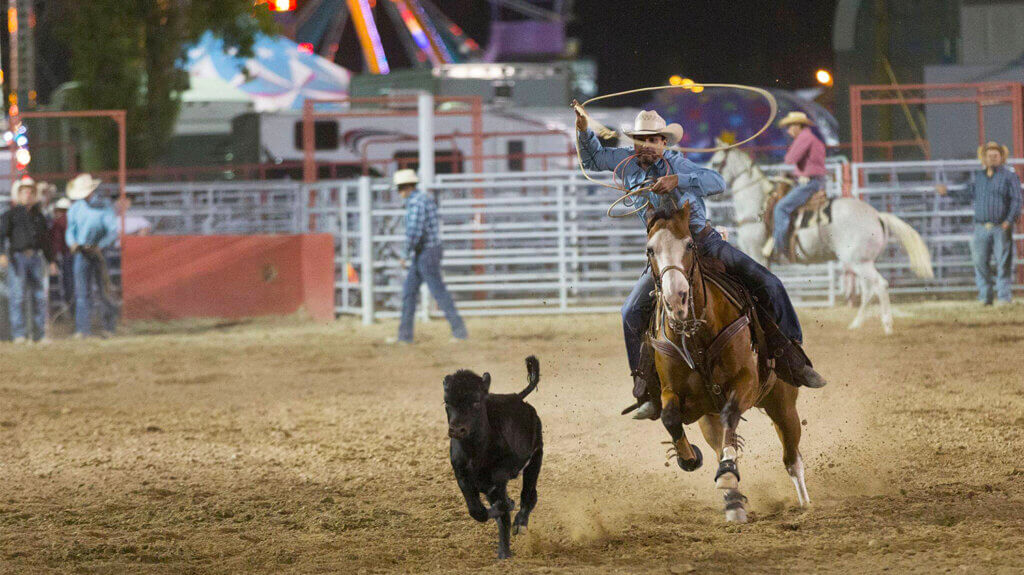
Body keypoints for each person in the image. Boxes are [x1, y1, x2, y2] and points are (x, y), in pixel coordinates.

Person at [572, 102, 826, 420]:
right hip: (666, 256)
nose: (646, 145)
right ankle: (646, 388)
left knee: (768, 283)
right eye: (641, 140)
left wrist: (678, 180)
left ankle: (793, 356)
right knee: (630, 311)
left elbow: (716, 182)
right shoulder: (627, 164)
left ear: (664, 142)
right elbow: (593, 158)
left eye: (653, 140)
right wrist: (583, 130)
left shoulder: (679, 164)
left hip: (704, 244)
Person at [937, 141, 1022, 306]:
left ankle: (1004, 297)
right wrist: (948, 192)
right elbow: (967, 193)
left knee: (1003, 263)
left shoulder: (1009, 176)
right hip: (981, 227)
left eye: (995, 156)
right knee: (980, 262)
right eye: (989, 156)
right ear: (984, 158)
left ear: (1001, 158)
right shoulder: (979, 177)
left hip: (1000, 227)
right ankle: (985, 297)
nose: (992, 158)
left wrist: (1009, 221)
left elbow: (1016, 200)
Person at [389, 169, 467, 344]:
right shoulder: (423, 199)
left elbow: (414, 232)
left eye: (400, 188)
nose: (399, 192)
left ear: (407, 187)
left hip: (425, 252)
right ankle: (405, 336)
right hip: (427, 251)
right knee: (412, 291)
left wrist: (404, 254)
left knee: (434, 291)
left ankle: (459, 332)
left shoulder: (416, 203)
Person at [763, 111, 827, 263]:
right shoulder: (810, 137)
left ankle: (779, 249)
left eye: (790, 126)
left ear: (798, 126)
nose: (788, 130)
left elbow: (789, 159)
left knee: (781, 207)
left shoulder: (804, 138)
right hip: (813, 180)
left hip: (810, 183)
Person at [0, 178, 58, 343]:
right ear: (18, 195)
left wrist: (51, 260)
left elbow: (45, 241)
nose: (28, 194)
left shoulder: (39, 216)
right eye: (25, 191)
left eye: (31, 191)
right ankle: (19, 334)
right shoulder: (10, 215)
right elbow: (1, 235)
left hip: (35, 257)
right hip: (18, 258)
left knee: (38, 296)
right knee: (18, 296)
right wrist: (2, 253)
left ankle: (39, 334)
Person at [65, 174, 120, 338]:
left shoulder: (104, 207)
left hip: (99, 252)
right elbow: (71, 230)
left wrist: (100, 245)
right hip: (82, 252)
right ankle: (83, 329)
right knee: (83, 292)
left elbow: (112, 232)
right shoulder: (76, 208)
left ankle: (108, 328)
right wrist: (72, 243)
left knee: (103, 290)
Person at [49, 197, 74, 309]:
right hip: (72, 255)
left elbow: (56, 242)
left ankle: (68, 308)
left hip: (66, 255)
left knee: (68, 283)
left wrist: (53, 258)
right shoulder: (72, 220)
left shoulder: (58, 222)